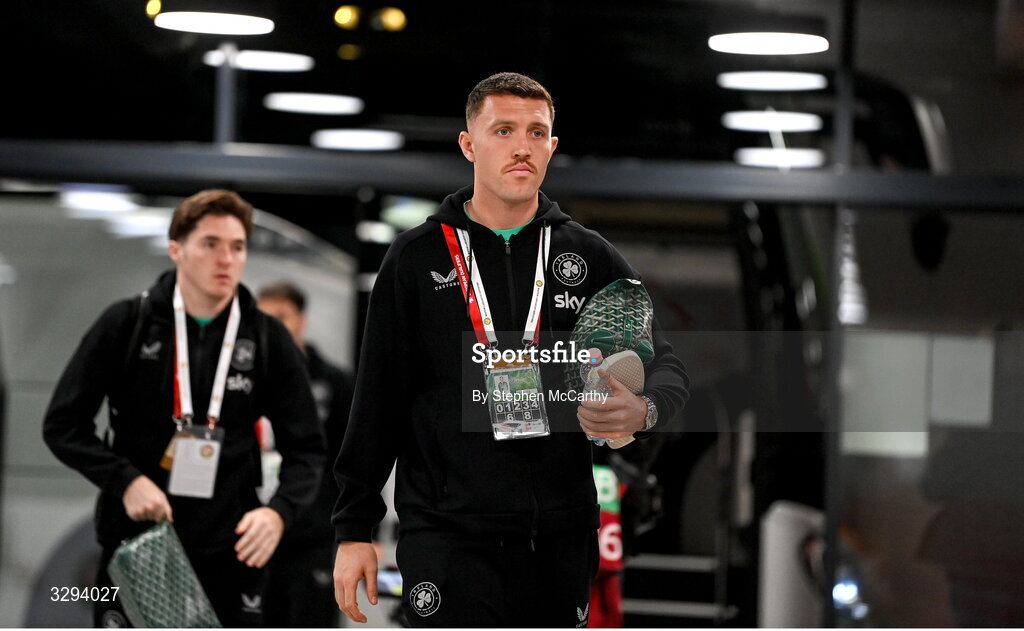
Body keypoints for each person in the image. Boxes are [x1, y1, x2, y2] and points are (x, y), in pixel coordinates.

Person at [332, 72, 689, 627]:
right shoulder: (415, 259)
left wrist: (643, 411)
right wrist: (354, 527)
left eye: (536, 132)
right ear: (468, 144)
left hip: (559, 540)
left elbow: (667, 369)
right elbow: (378, 400)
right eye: (503, 130)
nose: (522, 146)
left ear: (552, 146)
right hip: (447, 536)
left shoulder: (591, 258)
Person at [43, 189, 325, 628]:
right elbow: (63, 425)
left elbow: (307, 450)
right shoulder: (128, 324)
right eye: (211, 244)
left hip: (232, 551)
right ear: (177, 250)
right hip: (137, 545)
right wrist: (125, 481)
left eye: (237, 247)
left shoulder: (266, 338)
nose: (226, 259)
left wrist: (278, 513)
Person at [257, 282, 354, 628]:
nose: (272, 326)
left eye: (281, 316)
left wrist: (359, 529)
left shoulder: (335, 383)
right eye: (264, 318)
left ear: (301, 320)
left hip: (315, 532)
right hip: (256, 530)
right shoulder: (246, 379)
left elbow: (353, 461)